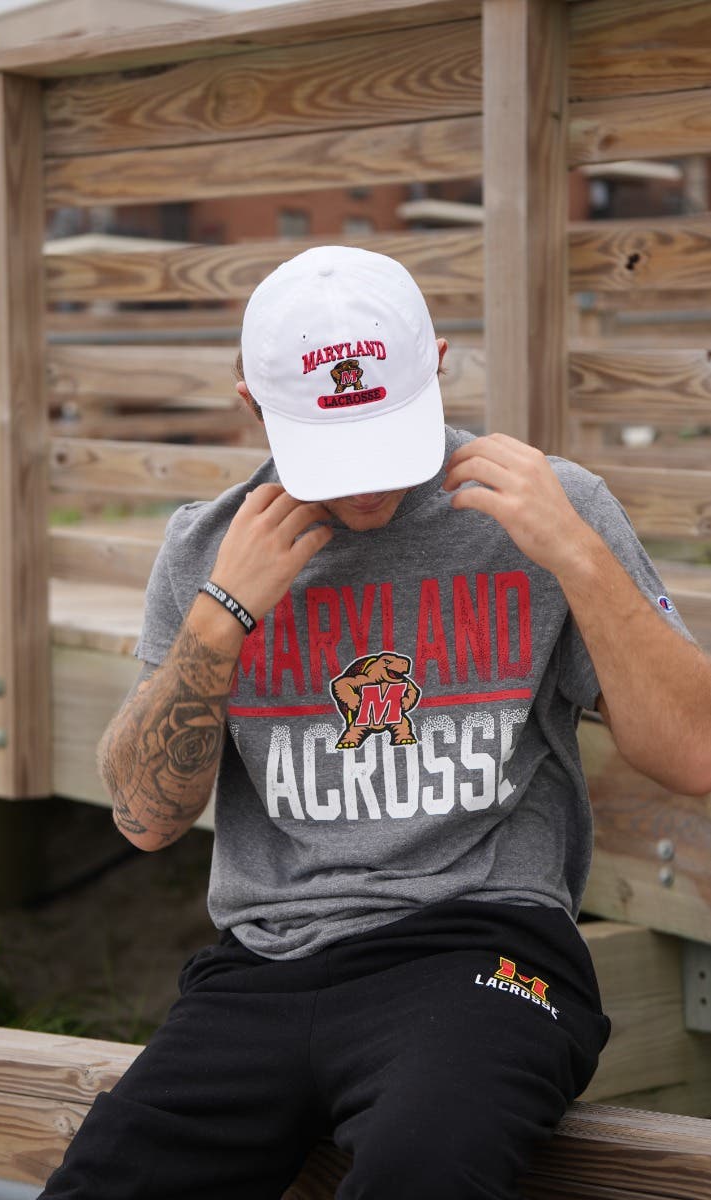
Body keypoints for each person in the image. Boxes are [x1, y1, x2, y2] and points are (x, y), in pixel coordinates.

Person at [38, 246, 711, 1200]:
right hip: (262, 966)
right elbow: (144, 819)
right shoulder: (208, 545)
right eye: (331, 455)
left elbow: (692, 752)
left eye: (384, 444)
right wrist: (219, 615)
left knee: (420, 1174)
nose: (363, 491)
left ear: (436, 366)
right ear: (250, 404)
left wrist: (580, 558)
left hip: (483, 948)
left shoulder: (543, 512)